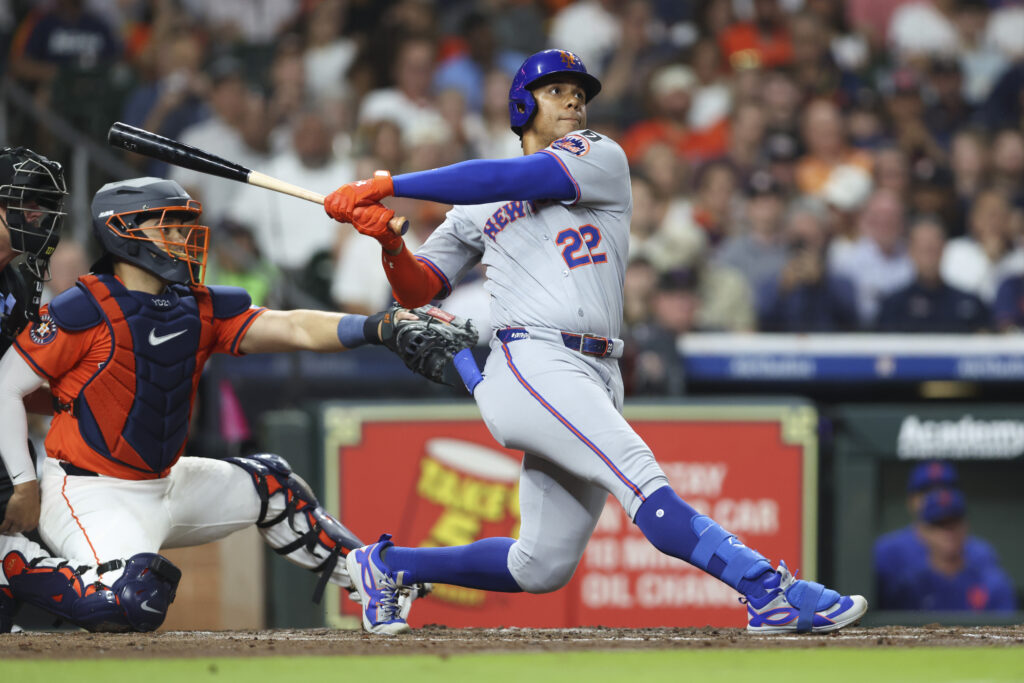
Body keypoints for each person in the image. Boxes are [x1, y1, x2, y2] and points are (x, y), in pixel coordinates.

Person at [322, 49, 867, 635]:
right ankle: (768, 591)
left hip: (598, 368)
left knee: (540, 565)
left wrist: (389, 184)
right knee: (640, 477)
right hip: (533, 359)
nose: (574, 102)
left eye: (578, 93)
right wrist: (391, 245)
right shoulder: (475, 208)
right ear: (522, 106)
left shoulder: (598, 155)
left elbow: (509, 178)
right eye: (557, 91)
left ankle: (387, 566)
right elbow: (418, 290)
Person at [0, 176, 424, 632]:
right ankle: (11, 561)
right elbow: (5, 387)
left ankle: (370, 579)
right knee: (133, 600)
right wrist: (25, 484)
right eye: (168, 226)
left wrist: (377, 327)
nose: (182, 237)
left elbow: (294, 327)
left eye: (183, 226)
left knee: (273, 486)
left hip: (166, 482)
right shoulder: (83, 308)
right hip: (89, 493)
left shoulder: (197, 306)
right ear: (123, 231)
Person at [0, 147, 174, 634]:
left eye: (43, 205)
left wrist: (83, 396)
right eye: (26, 203)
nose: (39, 216)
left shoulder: (17, 282)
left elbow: (16, 385)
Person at [873, 461, 1003, 610]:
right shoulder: (887, 553)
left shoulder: (982, 554)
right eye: (927, 491)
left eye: (945, 488)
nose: (937, 496)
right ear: (910, 499)